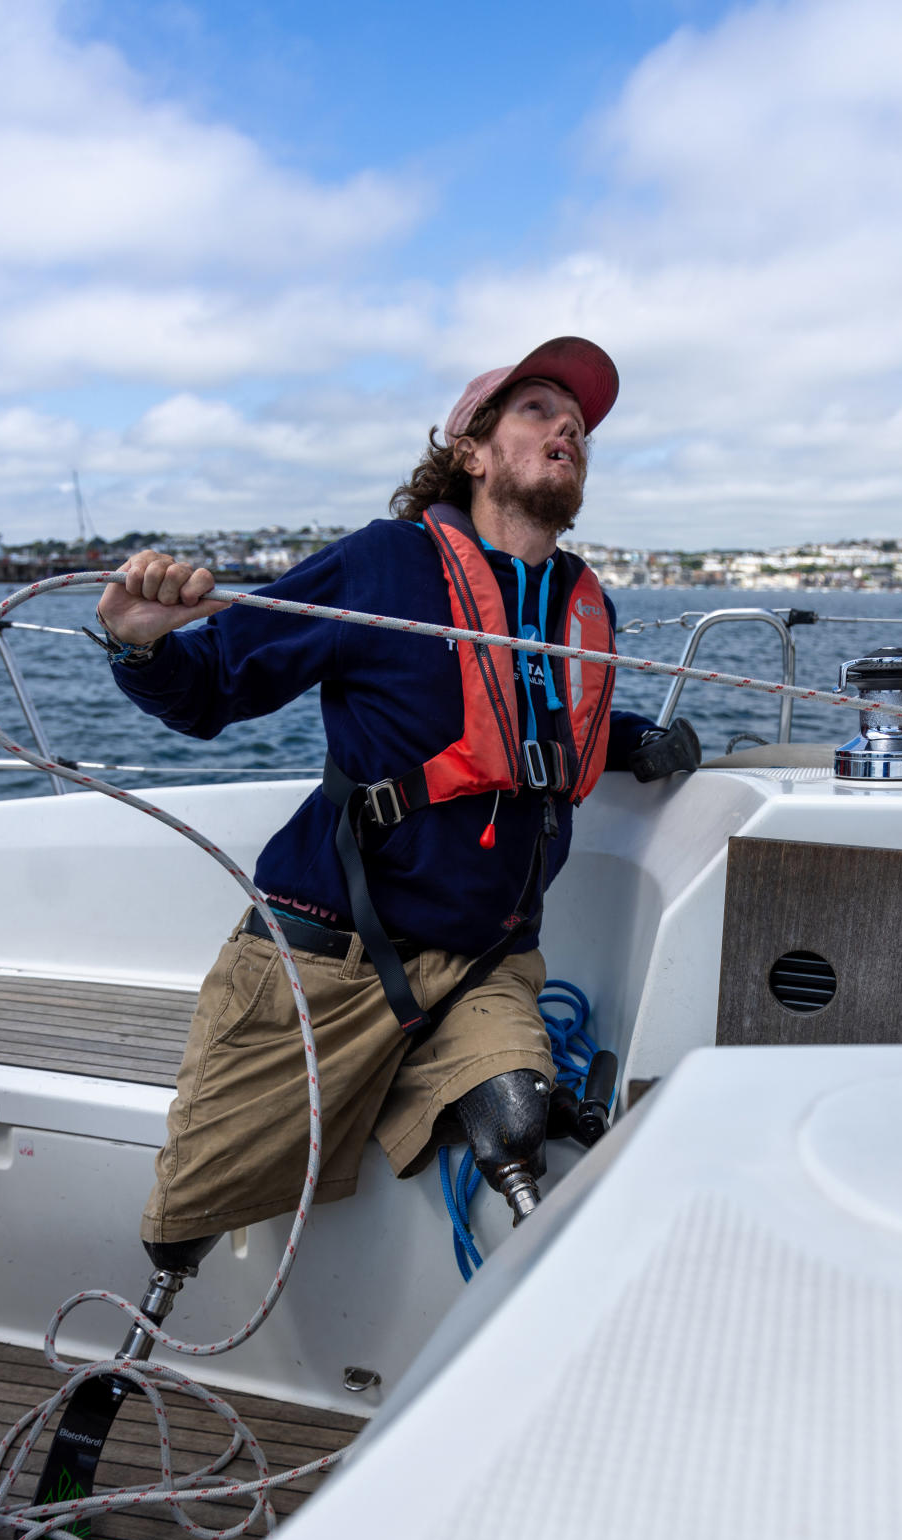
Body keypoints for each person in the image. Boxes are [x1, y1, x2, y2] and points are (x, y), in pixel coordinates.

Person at [92, 336, 700, 1281]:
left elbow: (538, 720)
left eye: (578, 424)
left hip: (486, 959)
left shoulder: (580, 600)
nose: (568, 430)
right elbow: (211, 690)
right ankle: (141, 1345)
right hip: (328, 956)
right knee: (184, 1223)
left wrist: (635, 743)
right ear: (470, 450)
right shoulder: (385, 567)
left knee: (518, 1121)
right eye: (538, 410)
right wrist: (141, 647)